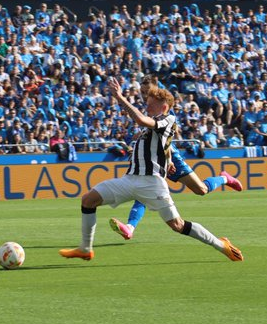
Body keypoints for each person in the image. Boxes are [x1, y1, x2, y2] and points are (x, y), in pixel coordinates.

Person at [59, 79, 243, 262]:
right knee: (88, 200)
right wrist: (168, 159)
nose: (147, 108)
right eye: (146, 104)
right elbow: (163, 144)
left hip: (151, 182)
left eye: (150, 105)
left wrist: (119, 97)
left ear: (163, 107)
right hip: (129, 179)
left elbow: (141, 119)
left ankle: (221, 245)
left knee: (177, 225)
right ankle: (85, 249)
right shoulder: (153, 125)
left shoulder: (168, 119)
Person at [109, 75, 243, 241]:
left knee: (201, 190)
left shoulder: (163, 108)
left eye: (147, 91)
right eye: (142, 92)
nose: (144, 96)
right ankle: (130, 227)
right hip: (156, 159)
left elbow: (167, 137)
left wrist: (169, 159)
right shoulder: (150, 107)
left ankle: (224, 178)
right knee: (145, 189)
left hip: (168, 156)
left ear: (156, 88)